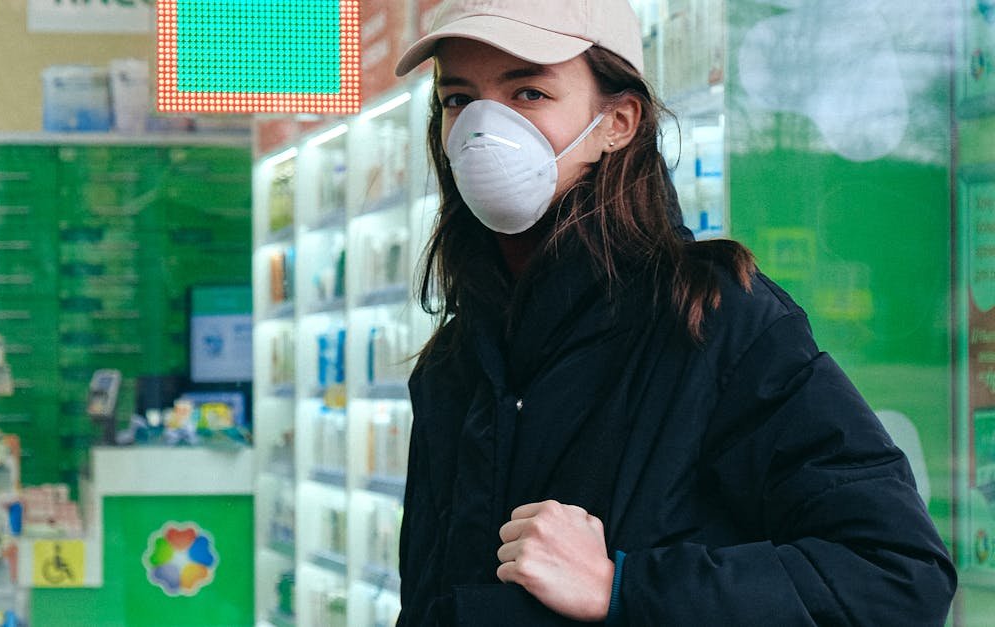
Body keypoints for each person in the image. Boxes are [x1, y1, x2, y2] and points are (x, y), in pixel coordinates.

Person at [391, 0, 957, 625]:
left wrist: (623, 588)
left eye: (529, 92)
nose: (481, 127)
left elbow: (895, 574)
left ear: (618, 121)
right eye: (458, 99)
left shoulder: (715, 322)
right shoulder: (453, 361)